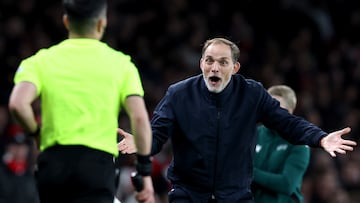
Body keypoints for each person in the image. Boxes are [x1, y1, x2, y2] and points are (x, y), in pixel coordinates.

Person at [117, 37, 356, 203]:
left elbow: (287, 123)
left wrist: (321, 137)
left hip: (235, 196)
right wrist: (142, 142)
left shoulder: (252, 94)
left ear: (235, 67)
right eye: (209, 60)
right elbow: (158, 133)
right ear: (201, 63)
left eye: (223, 62)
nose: (214, 67)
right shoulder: (179, 94)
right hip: (188, 195)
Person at [8, 0, 154, 203]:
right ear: (102, 23)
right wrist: (145, 172)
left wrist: (35, 133)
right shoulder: (122, 64)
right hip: (96, 166)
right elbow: (139, 119)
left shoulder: (41, 60)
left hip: (54, 163)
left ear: (66, 21)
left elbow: (17, 103)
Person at [252, 85, 310, 203]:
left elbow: (286, 184)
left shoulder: (299, 141)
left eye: (276, 107)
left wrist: (250, 173)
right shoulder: (253, 134)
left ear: (289, 112)